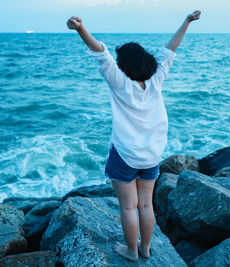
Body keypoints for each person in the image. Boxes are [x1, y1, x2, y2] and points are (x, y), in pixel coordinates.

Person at [66, 10, 201, 262]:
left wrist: (80, 29)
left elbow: (101, 54)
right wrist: (187, 21)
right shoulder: (157, 79)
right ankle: (146, 248)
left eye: (119, 62)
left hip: (125, 156)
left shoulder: (120, 83)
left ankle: (131, 251)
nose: (116, 64)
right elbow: (170, 49)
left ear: (124, 65)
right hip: (151, 156)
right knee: (146, 205)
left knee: (128, 207)